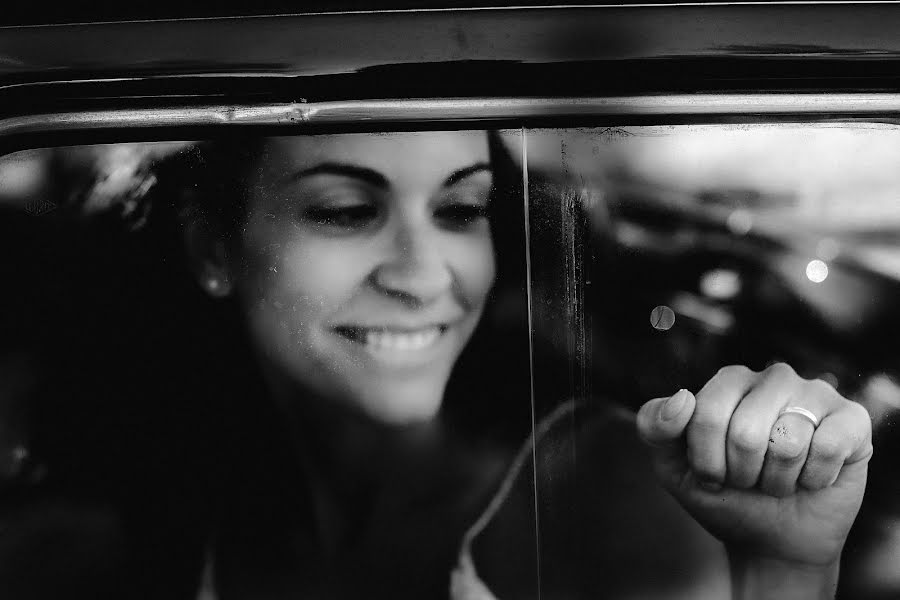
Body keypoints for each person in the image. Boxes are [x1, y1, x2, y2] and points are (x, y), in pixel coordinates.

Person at [149, 129, 871, 599]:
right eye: (344, 210)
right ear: (212, 246)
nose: (423, 276)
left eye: (461, 209)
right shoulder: (155, 520)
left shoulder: (596, 486)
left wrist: (787, 571)